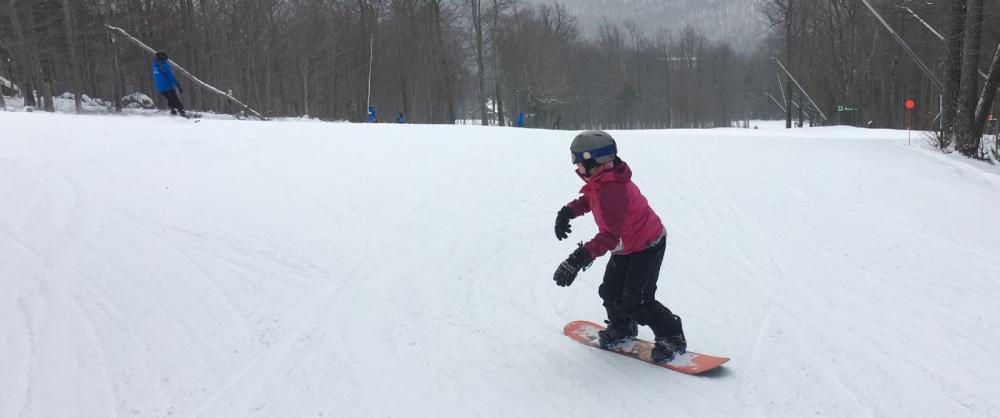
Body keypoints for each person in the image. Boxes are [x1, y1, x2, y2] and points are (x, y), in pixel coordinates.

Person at [552, 130, 687, 362]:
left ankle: (672, 335)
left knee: (637, 301)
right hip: (626, 246)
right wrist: (568, 212)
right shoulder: (602, 180)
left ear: (594, 161)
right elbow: (591, 199)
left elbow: (610, 236)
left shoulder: (613, 188)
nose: (576, 167)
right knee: (610, 292)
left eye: (579, 162)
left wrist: (578, 258)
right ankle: (623, 326)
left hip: (647, 244)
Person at [151, 51, 185, 117]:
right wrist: (177, 85)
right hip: (168, 86)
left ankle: (173, 110)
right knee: (175, 98)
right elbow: (171, 76)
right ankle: (182, 111)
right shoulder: (165, 65)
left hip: (160, 88)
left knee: (169, 98)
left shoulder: (154, 65)